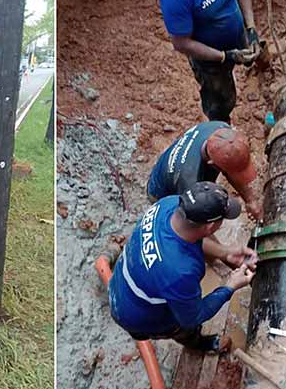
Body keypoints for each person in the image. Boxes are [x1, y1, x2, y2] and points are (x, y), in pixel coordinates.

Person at [108, 182, 258, 352]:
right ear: (210, 227)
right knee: (182, 328)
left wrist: (225, 253)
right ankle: (199, 345)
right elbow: (193, 317)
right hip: (134, 314)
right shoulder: (179, 273)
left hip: (124, 279)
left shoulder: (168, 204)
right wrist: (230, 286)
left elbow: (191, 239)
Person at [160, 0, 261, 123]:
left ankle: (257, 67)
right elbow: (181, 43)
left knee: (256, 53)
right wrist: (224, 56)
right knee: (220, 104)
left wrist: (251, 29)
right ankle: (222, 134)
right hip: (211, 61)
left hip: (239, 34)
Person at [147, 122, 263, 221]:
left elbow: (230, 171)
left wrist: (250, 200)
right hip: (162, 193)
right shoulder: (190, 182)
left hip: (176, 171)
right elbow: (196, 226)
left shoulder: (220, 129)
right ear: (212, 163)